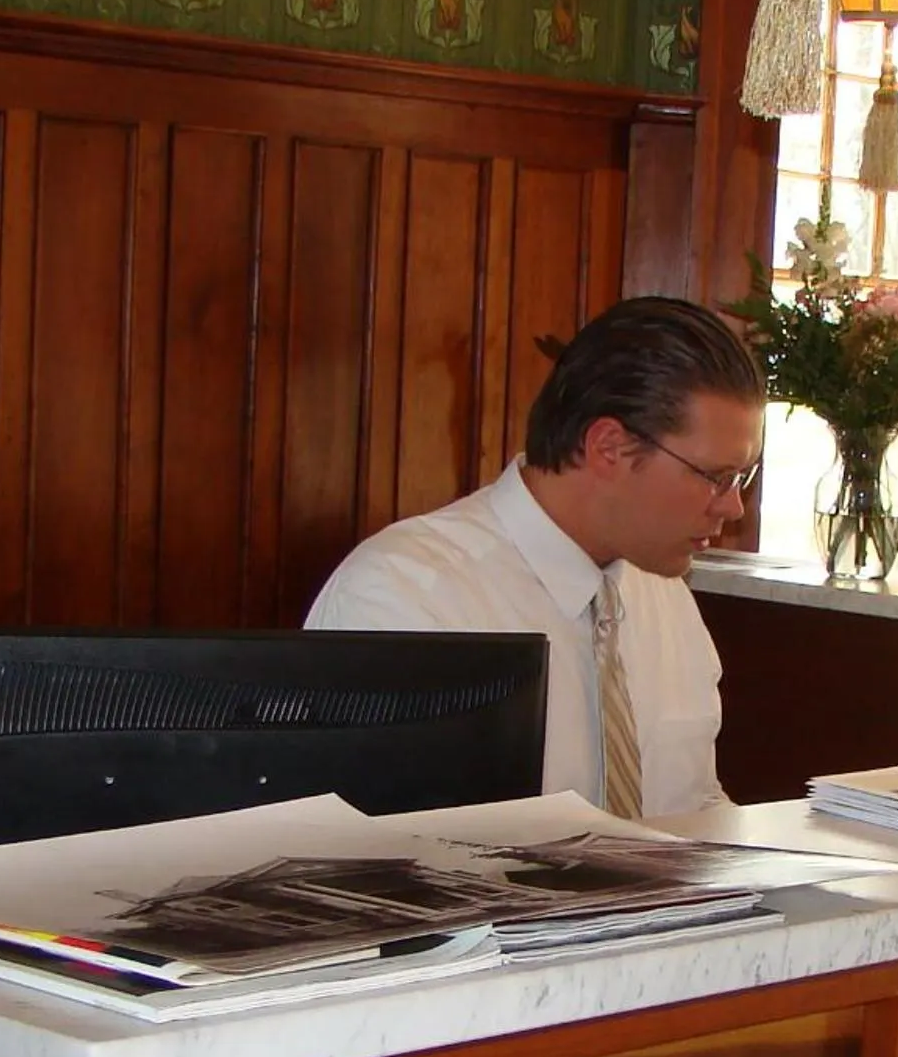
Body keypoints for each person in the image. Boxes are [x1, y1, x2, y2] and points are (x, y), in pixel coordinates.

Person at [305, 296, 766, 818]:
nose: (732, 505)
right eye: (715, 477)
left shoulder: (662, 592)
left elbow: (694, 806)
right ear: (609, 447)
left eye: (741, 478)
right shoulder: (404, 596)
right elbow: (360, 860)